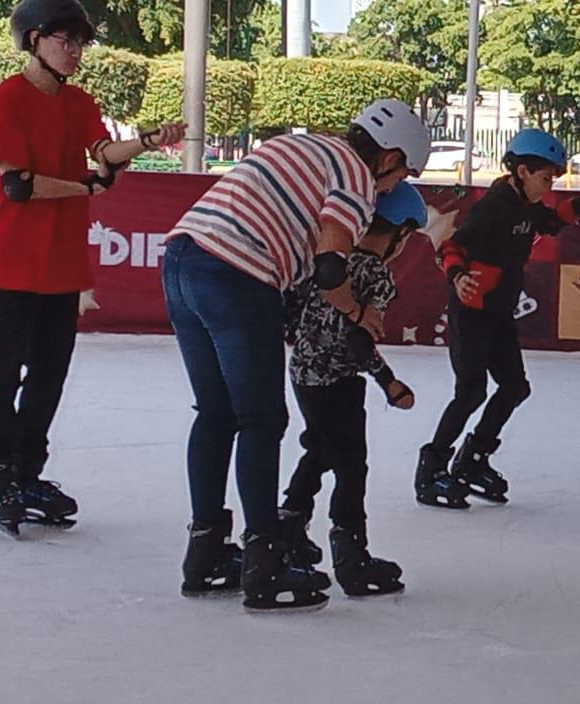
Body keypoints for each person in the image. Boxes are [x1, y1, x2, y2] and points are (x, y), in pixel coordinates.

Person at [163, 99, 429, 613]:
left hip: (181, 260)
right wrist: (356, 311)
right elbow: (331, 266)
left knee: (216, 414)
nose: (393, 189)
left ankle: (206, 554)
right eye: (403, 175)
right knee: (261, 420)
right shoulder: (356, 176)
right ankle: (264, 565)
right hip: (237, 273)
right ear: (391, 157)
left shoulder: (300, 142)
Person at [0, 0, 184, 536]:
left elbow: (105, 151)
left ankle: (27, 471)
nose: (75, 52)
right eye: (65, 41)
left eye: (79, 43)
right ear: (34, 41)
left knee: (49, 376)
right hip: (13, 261)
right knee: (3, 372)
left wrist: (148, 141)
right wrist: (86, 186)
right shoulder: (5, 101)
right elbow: (18, 185)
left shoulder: (80, 102)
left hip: (63, 264)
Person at [416, 129, 580, 509]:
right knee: (471, 392)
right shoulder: (497, 206)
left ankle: (472, 460)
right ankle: (431, 469)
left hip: (499, 312)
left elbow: (550, 222)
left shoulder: (523, 203)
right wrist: (457, 277)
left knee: (515, 387)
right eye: (545, 178)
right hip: (471, 310)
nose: (549, 186)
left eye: (553, 179)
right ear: (522, 171)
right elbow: (454, 245)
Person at [276, 182, 426, 598]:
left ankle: (287, 528)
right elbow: (358, 343)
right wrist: (388, 381)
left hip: (303, 374)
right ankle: (351, 557)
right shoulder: (377, 276)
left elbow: (291, 310)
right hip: (340, 382)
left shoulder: (327, 259)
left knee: (321, 448)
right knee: (351, 465)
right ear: (401, 234)